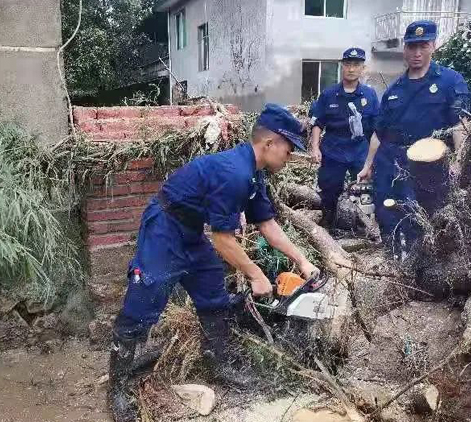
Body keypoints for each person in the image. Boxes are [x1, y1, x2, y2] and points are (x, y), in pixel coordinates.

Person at [108, 103, 320, 422]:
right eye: (289, 151)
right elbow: (223, 240)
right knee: (145, 299)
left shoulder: (253, 176)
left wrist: (302, 261)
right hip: (165, 228)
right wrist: (255, 274)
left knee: (212, 290)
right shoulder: (234, 173)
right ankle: (118, 388)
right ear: (270, 143)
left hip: (191, 230)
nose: (289, 158)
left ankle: (220, 363)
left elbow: (267, 224)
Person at [357, 20, 471, 254]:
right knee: (386, 215)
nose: (417, 53)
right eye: (412, 46)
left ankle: (419, 268)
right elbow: (379, 133)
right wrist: (367, 165)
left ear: (433, 46)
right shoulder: (394, 90)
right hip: (390, 162)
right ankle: (392, 263)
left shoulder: (450, 81)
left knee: (421, 221)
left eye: (423, 45)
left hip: (427, 166)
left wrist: (459, 162)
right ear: (405, 49)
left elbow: (459, 125)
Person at [309, 48, 380, 230]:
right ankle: (329, 224)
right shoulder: (329, 94)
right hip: (334, 149)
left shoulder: (369, 95)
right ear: (342, 66)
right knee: (329, 190)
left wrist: (374, 158)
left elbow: (376, 129)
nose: (351, 69)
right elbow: (318, 123)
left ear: (363, 68)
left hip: (360, 150)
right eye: (348, 64)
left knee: (364, 191)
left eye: (356, 65)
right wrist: (315, 147)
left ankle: (363, 227)